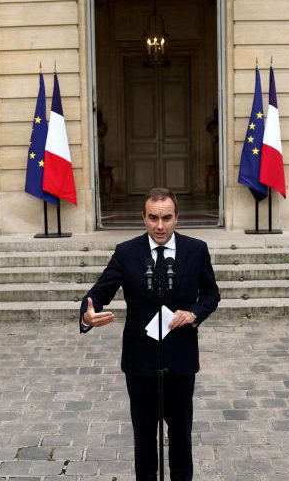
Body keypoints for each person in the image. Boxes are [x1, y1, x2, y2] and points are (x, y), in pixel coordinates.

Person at [79, 187, 220, 481]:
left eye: (166, 218)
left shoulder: (196, 249)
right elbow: (98, 292)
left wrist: (194, 313)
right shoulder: (127, 252)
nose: (160, 226)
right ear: (143, 217)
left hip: (180, 359)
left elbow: (211, 293)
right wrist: (88, 314)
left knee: (181, 435)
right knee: (144, 437)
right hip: (140, 361)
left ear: (176, 217)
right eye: (153, 218)